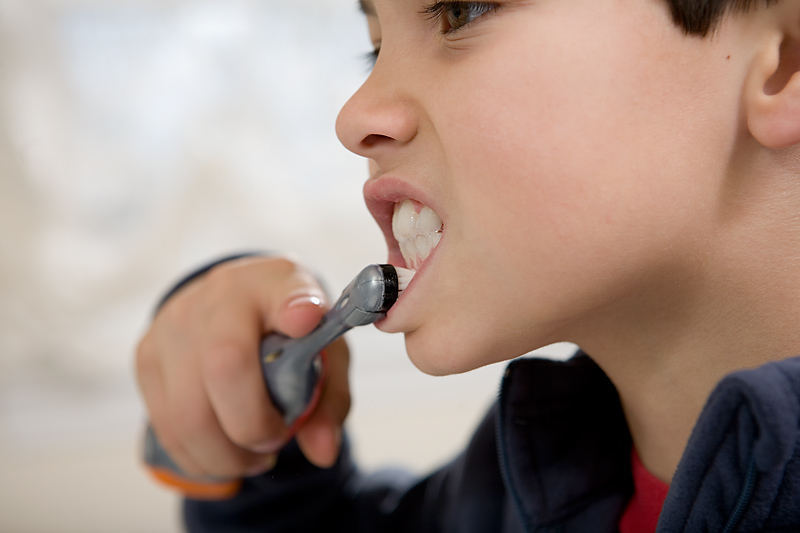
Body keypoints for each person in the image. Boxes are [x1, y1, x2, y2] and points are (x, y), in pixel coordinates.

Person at [135, 0, 800, 531]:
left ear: (785, 66)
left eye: (463, 11)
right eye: (375, 43)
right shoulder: (519, 482)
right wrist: (256, 432)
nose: (355, 115)